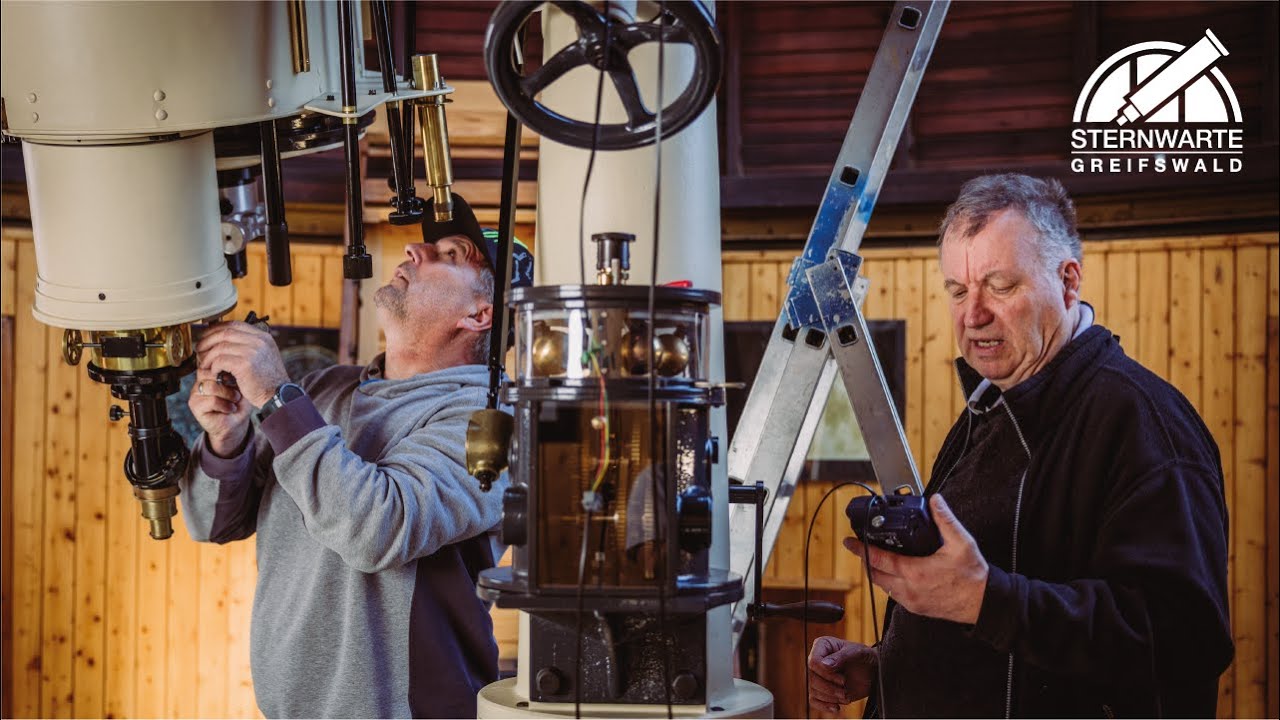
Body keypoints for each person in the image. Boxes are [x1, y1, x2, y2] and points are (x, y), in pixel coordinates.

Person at [807, 174, 1232, 717]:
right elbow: (987, 622)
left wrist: (987, 599)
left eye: (1000, 286)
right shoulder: (989, 410)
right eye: (958, 291)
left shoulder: (1143, 420)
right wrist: (891, 663)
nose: (973, 314)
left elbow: (1182, 641)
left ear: (1068, 281)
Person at [180, 194, 533, 718]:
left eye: (452, 255)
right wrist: (225, 440)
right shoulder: (325, 390)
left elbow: (378, 528)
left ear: (480, 314)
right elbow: (211, 520)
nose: (416, 249)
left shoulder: (493, 424)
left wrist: (277, 398)